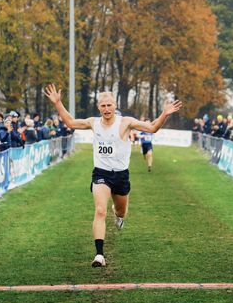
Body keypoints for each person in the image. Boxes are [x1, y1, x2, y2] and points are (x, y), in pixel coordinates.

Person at [44, 83, 182, 267]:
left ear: (115, 106)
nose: (106, 109)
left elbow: (153, 128)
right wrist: (58, 103)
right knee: (100, 210)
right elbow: (70, 123)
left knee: (120, 211)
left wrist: (164, 113)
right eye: (103, 105)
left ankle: (118, 216)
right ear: (98, 107)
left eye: (109, 105)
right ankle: (99, 255)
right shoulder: (93, 123)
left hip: (121, 176)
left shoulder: (125, 122)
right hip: (101, 174)